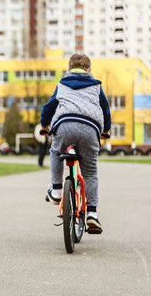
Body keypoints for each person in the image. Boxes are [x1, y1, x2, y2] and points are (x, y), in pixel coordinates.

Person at [40, 54, 111, 234]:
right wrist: (106, 130)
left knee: (56, 152)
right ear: (89, 70)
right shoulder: (96, 85)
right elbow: (105, 109)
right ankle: (92, 214)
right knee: (90, 171)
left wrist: (44, 125)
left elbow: (49, 107)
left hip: (65, 124)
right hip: (90, 127)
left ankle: (56, 190)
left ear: (69, 69)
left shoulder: (62, 84)